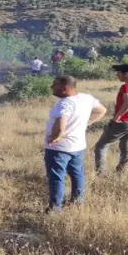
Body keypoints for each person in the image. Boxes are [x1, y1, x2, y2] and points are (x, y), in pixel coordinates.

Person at [42, 76, 108, 212]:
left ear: (64, 88)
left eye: (55, 84)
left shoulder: (65, 103)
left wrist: (54, 138)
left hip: (59, 148)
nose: (51, 87)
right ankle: (78, 202)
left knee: (56, 177)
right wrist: (86, 123)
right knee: (77, 174)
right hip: (77, 146)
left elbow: (60, 126)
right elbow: (102, 110)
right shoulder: (87, 98)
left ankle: (55, 209)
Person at [93, 63, 128, 175]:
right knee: (127, 146)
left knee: (101, 146)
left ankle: (100, 173)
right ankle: (121, 172)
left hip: (124, 121)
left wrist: (117, 117)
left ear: (126, 74)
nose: (117, 75)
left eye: (118, 73)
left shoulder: (126, 87)